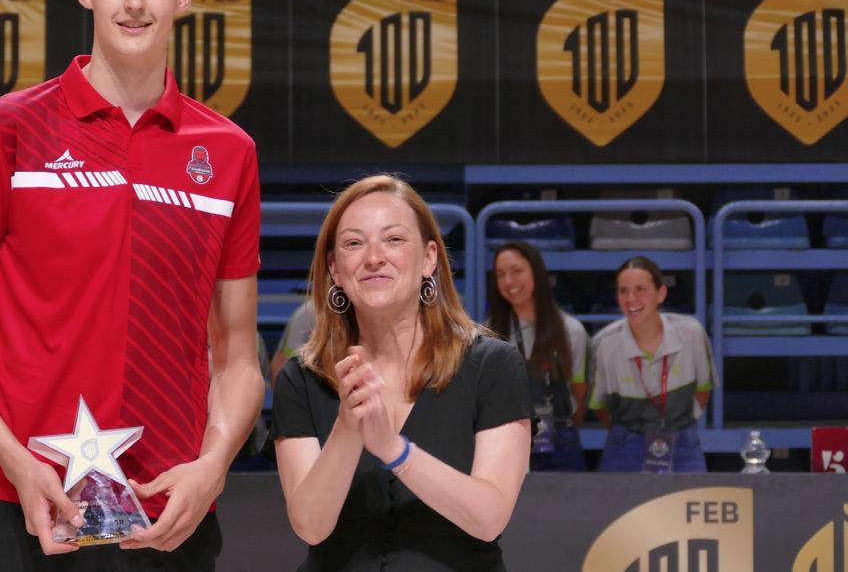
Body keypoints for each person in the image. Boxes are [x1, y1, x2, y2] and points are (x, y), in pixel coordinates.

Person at [0, 0, 265, 569]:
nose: (135, 3)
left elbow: (237, 355)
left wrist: (212, 466)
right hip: (25, 507)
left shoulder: (229, 151)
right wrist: (17, 461)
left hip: (165, 511)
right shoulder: (10, 128)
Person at [268, 175, 533, 571]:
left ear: (429, 259)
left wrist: (395, 450)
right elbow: (310, 526)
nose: (373, 257)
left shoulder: (493, 365)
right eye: (354, 243)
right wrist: (348, 426)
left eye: (393, 239)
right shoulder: (301, 378)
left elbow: (489, 517)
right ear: (335, 269)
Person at [589, 256, 715, 473]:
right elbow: (600, 406)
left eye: (640, 289)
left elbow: (703, 390)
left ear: (661, 293)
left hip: (683, 441)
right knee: (618, 507)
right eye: (623, 291)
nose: (631, 299)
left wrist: (673, 423)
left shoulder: (691, 333)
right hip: (624, 444)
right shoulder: (604, 343)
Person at [487, 241, 589, 472]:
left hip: (561, 443)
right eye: (501, 274)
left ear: (537, 272)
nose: (509, 282)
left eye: (517, 271)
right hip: (507, 445)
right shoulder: (488, 335)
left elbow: (579, 395)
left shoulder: (571, 330)